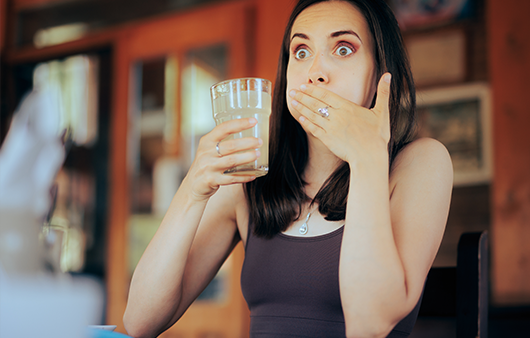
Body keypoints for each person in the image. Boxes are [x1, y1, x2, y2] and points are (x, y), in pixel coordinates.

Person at [123, 0, 453, 337]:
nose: (315, 72)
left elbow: (370, 323)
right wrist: (192, 190)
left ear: (382, 72)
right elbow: (140, 321)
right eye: (300, 51)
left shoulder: (421, 163)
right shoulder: (251, 179)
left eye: (343, 48)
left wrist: (367, 155)